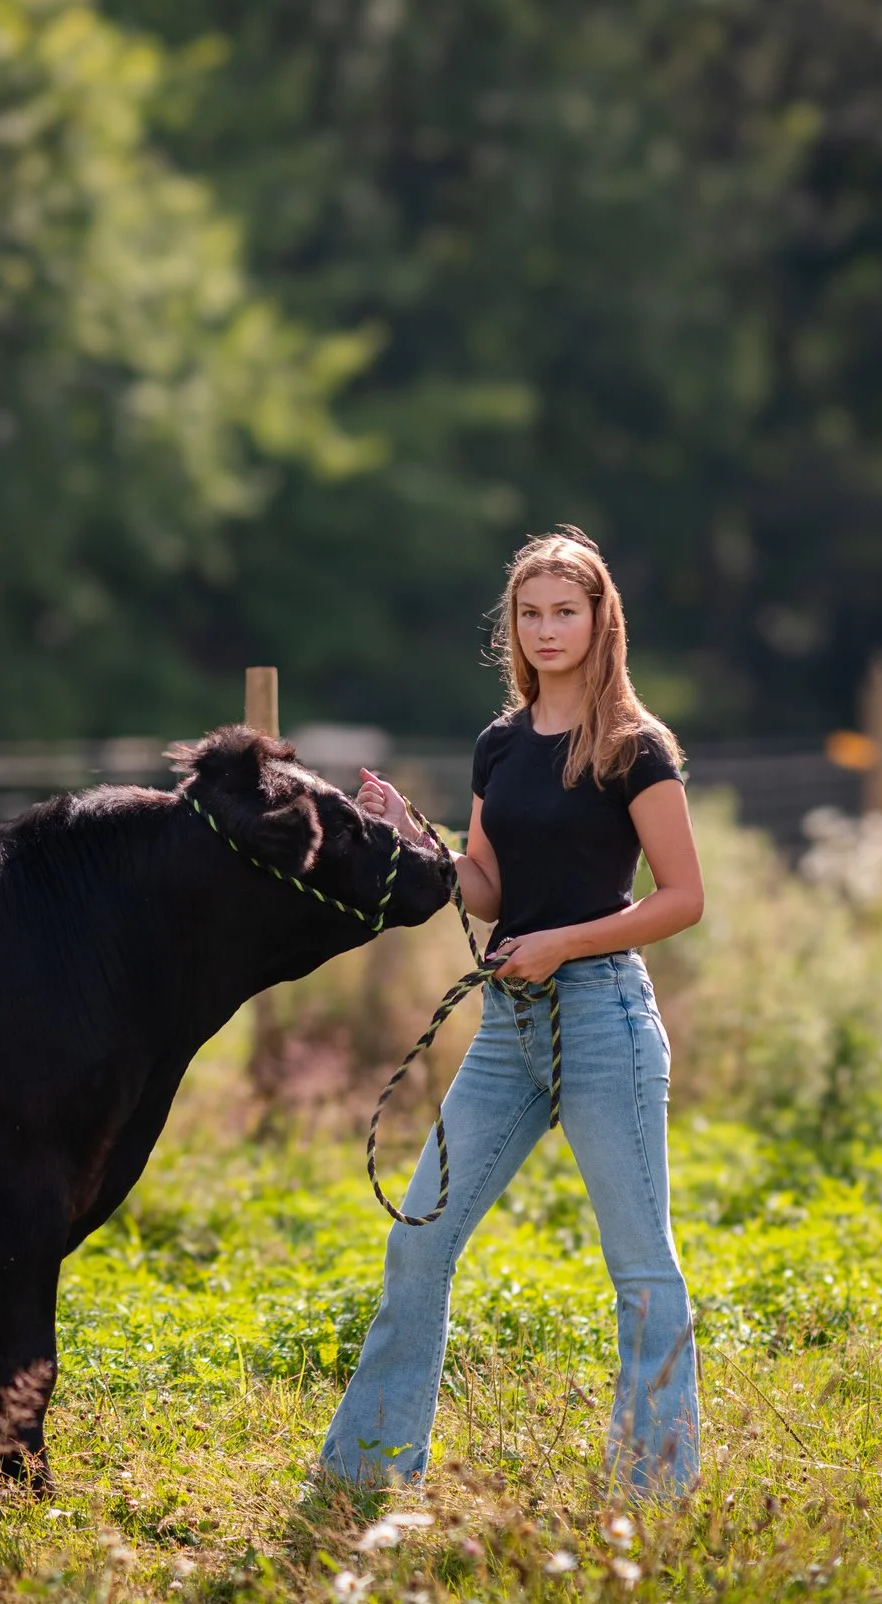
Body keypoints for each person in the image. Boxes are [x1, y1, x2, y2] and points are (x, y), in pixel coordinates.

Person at [322, 527, 706, 1495]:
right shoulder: (500, 741)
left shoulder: (633, 745)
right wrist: (416, 839)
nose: (545, 628)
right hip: (508, 1024)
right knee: (417, 1240)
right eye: (529, 613)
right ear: (513, 623)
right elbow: (487, 889)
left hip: (601, 1014)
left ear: (597, 619)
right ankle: (367, 1475)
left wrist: (565, 943)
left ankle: (652, 1488)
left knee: (638, 1263)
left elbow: (680, 896)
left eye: (563, 611)